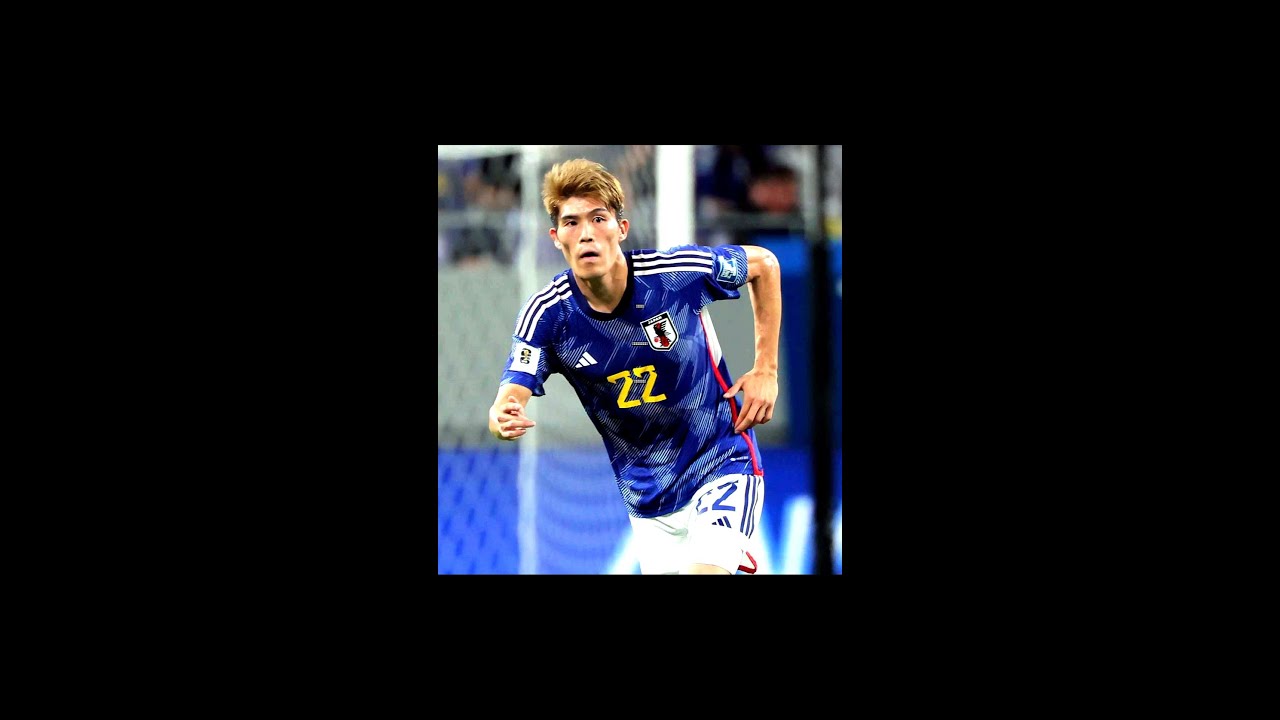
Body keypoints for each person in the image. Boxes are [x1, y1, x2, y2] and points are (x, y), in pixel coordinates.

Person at [487, 158, 782, 575]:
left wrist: (766, 369)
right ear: (556, 238)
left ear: (621, 229)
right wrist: (502, 414)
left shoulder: (673, 276)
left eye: (598, 218)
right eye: (571, 223)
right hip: (649, 501)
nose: (586, 233)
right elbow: (508, 396)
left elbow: (764, 265)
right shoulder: (548, 316)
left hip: (722, 462)